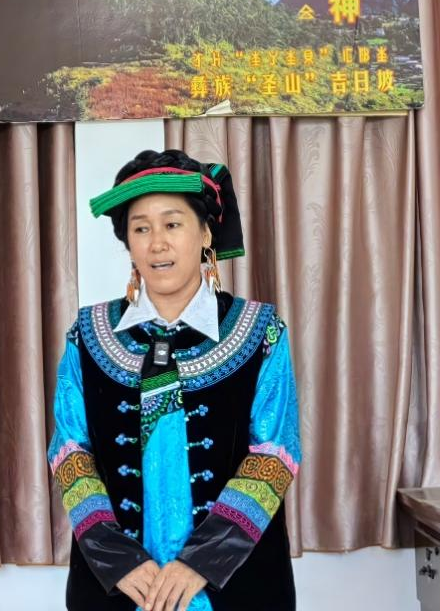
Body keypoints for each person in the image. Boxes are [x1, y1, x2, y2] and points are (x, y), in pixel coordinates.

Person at [48, 150, 301, 611]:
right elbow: (70, 453)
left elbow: (274, 454)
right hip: (118, 587)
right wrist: (118, 560)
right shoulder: (87, 335)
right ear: (127, 242)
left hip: (235, 585)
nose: (157, 244)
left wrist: (201, 561)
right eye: (141, 228)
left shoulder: (261, 332)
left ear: (205, 234)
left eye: (172, 224)